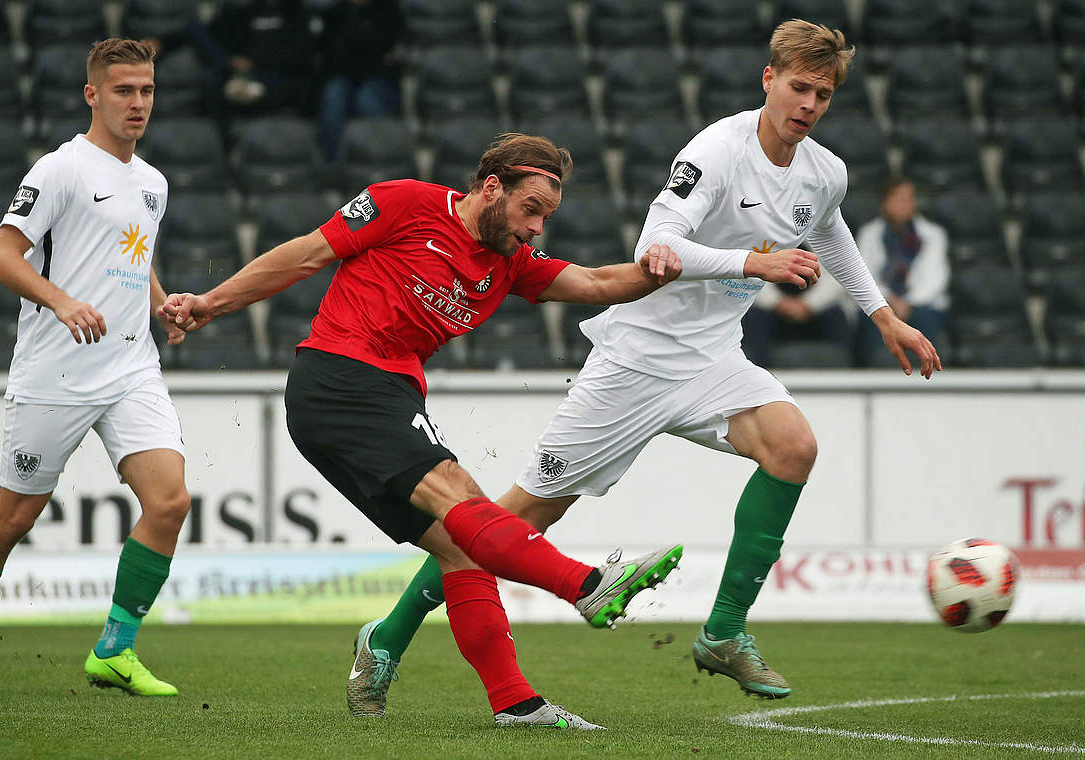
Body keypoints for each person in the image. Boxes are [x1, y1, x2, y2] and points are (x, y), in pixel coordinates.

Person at [345, 19, 942, 709]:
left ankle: (723, 633)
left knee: (793, 446)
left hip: (714, 358)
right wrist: (753, 262)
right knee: (511, 523)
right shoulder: (715, 151)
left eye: (824, 94)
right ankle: (386, 637)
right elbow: (659, 241)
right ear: (769, 80)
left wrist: (881, 313)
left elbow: (828, 223)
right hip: (634, 362)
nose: (809, 105)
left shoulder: (825, 171)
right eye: (799, 87)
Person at [163, 132, 688, 728]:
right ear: (492, 188)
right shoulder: (406, 203)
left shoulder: (509, 262)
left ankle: (513, 702)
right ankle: (585, 585)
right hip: (339, 378)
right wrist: (212, 303)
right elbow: (308, 254)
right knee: (460, 493)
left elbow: (596, 284)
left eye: (546, 216)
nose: (537, 227)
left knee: (462, 548)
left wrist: (672, 267)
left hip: (385, 394)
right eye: (530, 209)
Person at [0, 38, 190, 698]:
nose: (138, 103)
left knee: (169, 501)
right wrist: (61, 300)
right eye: (125, 91)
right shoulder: (61, 170)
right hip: (55, 373)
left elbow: (131, 254)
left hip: (131, 368)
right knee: (14, 519)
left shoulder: (153, 182)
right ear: (92, 95)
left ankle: (114, 649)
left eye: (147, 91)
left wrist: (162, 304)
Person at [855, 177, 949, 365]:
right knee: (877, 320)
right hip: (882, 303)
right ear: (884, 203)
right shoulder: (869, 233)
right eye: (898, 198)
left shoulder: (933, 234)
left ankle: (928, 374)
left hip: (920, 304)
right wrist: (888, 301)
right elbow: (863, 276)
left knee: (926, 317)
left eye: (909, 198)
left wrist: (907, 302)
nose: (904, 204)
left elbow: (936, 278)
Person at [317, 0, 404, 161]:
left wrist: (355, 50)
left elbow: (388, 52)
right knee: (333, 97)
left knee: (368, 100)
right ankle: (331, 167)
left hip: (378, 79)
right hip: (343, 77)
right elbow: (330, 56)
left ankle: (377, 162)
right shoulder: (334, 14)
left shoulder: (388, 10)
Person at [742, 265, 851, 367]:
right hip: (769, 310)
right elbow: (746, 271)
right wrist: (777, 302)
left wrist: (809, 304)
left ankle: (843, 376)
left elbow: (841, 274)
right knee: (753, 316)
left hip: (817, 311)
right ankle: (758, 377)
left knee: (836, 314)